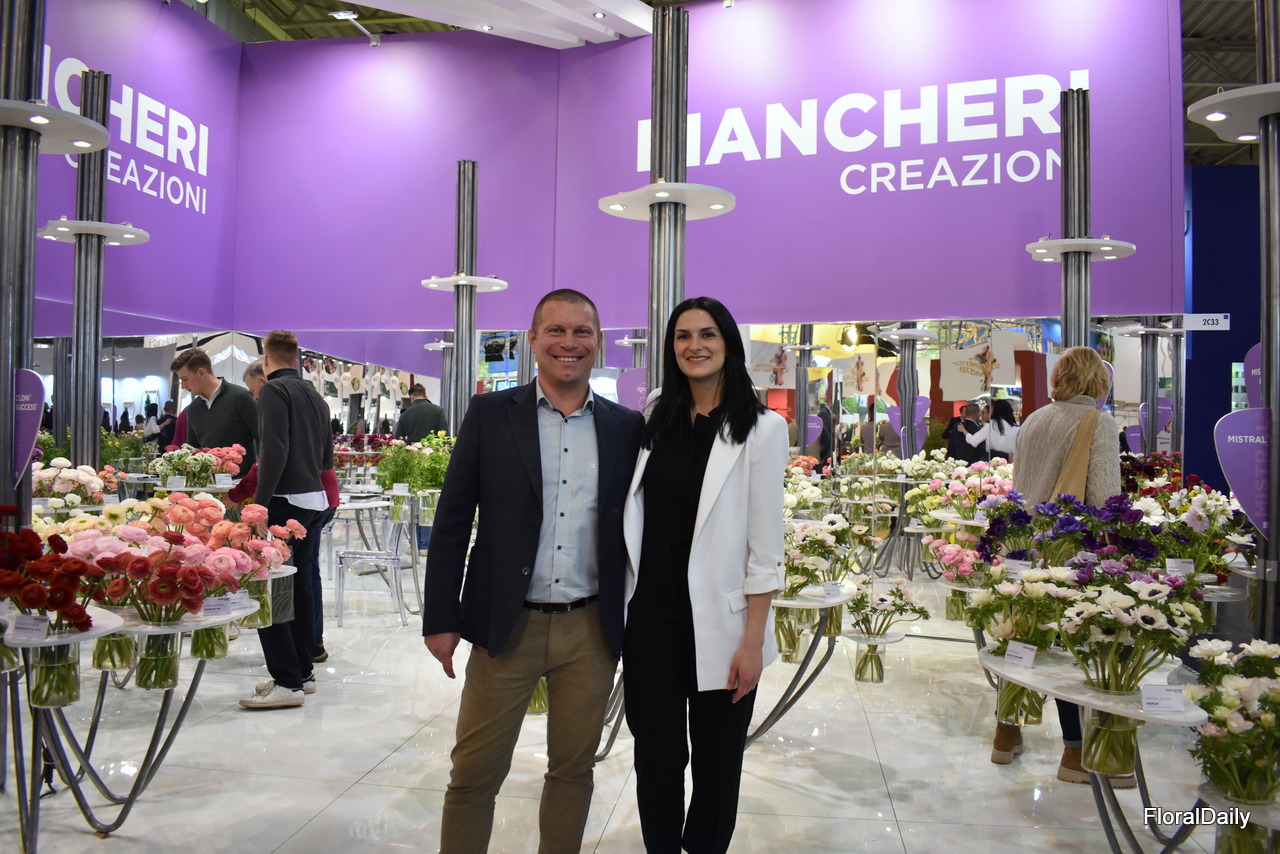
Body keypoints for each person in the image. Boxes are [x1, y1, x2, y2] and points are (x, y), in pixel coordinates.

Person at [422, 289, 643, 853]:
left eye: (582, 331)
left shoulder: (626, 427)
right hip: (506, 625)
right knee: (473, 775)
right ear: (533, 340)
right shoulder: (491, 415)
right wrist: (441, 618)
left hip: (590, 630)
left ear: (599, 342)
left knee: (572, 771)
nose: (569, 343)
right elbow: (452, 521)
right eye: (556, 331)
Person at [622, 296, 785, 854]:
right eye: (683, 335)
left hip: (724, 619)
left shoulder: (763, 428)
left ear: (729, 344)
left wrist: (753, 642)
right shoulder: (656, 413)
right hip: (652, 614)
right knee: (656, 755)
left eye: (707, 334)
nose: (695, 346)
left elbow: (765, 548)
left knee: (718, 762)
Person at [991, 346, 1130, 786]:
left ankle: (1006, 731)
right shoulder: (1097, 422)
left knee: (1023, 635)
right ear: (1098, 380)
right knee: (1071, 644)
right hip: (1068, 546)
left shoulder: (1034, 418)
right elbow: (1104, 495)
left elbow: (1019, 481)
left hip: (1023, 543)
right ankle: (1074, 752)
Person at [239, 331, 334, 709]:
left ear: (266, 359)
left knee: (271, 587)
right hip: (314, 498)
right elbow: (326, 459)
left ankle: (287, 681)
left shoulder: (273, 391)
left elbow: (273, 450)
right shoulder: (315, 395)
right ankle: (303, 673)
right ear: (295, 357)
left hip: (284, 499)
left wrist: (259, 506)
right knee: (299, 586)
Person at [172, 347, 259, 470]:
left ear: (201, 373)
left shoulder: (241, 397)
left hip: (241, 479)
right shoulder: (193, 408)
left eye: (185, 379)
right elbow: (192, 450)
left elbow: (263, 438)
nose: (183, 386)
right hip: (207, 479)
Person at [963, 398, 1019, 462]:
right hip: (1013, 463)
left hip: (994, 463)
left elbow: (974, 441)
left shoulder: (989, 426)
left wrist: (964, 431)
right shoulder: (1016, 428)